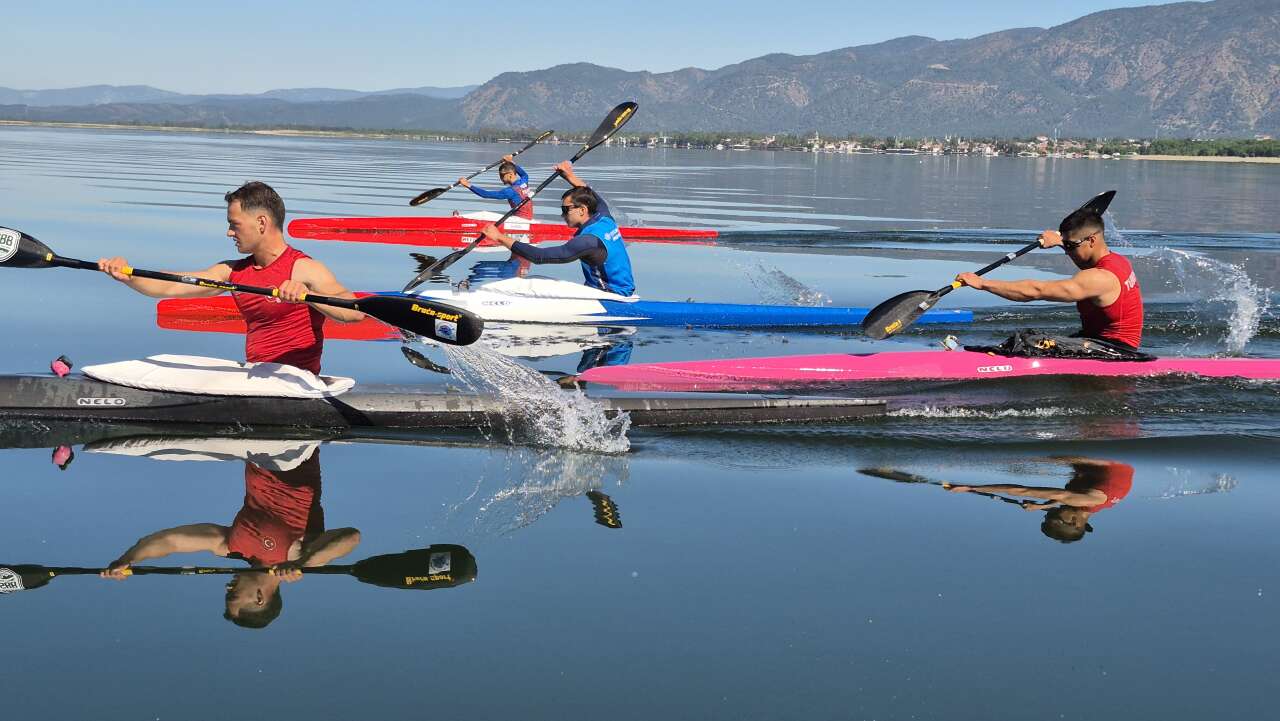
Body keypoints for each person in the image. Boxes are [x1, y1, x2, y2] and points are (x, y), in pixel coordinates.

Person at [97, 181, 364, 373]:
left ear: (261, 223)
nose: (228, 232)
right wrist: (127, 275)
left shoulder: (304, 268)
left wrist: (309, 297)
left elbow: (353, 312)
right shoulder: (233, 272)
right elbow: (170, 286)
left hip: (297, 385)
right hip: (257, 379)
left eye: (234, 224)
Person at [99, 448, 362, 628]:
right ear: (260, 599)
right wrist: (303, 564)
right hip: (292, 449)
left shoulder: (231, 547)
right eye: (233, 595)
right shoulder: (301, 557)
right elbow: (351, 537)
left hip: (252, 447)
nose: (228, 587)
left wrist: (128, 558)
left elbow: (171, 542)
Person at [955, 206, 1143, 349]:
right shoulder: (1118, 261)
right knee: (1034, 340)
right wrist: (1062, 242)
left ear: (1092, 240)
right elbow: (1085, 258)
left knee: (1027, 341)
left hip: (1115, 351)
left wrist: (982, 283)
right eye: (1066, 246)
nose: (1067, 253)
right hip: (1099, 342)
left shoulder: (1099, 279)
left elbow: (1036, 291)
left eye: (1071, 246)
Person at [477, 161, 635, 297]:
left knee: (533, 284)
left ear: (582, 210)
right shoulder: (604, 216)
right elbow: (590, 192)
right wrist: (568, 175)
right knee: (537, 280)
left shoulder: (588, 241)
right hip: (616, 290)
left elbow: (540, 256)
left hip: (610, 296)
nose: (562, 215)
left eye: (566, 210)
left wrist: (499, 237)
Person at [947, 457, 1134, 543]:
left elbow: (1069, 503)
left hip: (1097, 460)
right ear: (1074, 522)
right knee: (1025, 459)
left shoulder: (1094, 507)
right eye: (1053, 516)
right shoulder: (1089, 499)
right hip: (1101, 452)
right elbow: (1023, 491)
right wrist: (971, 487)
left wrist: (1042, 507)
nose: (1051, 511)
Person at [459, 154, 533, 219]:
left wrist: (468, 185)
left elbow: (485, 194)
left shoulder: (510, 191)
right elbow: (524, 174)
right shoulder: (524, 181)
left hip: (519, 221)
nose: (500, 178)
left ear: (510, 174)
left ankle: (460, 220)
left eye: (502, 175)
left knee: (484, 215)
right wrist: (511, 162)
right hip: (527, 218)